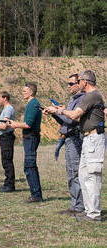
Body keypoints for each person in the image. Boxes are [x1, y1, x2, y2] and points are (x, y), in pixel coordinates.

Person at [46, 70, 105, 222]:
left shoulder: (91, 96)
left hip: (93, 138)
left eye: (79, 81)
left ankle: (93, 214)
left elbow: (74, 116)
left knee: (91, 177)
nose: (78, 84)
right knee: (84, 176)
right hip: (88, 138)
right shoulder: (91, 97)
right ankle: (88, 211)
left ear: (85, 82)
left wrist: (59, 110)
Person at [43, 74, 85, 216]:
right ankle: (75, 205)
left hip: (75, 138)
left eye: (71, 83)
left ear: (79, 83)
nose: (68, 86)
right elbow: (65, 121)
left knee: (75, 173)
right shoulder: (73, 100)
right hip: (69, 138)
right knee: (71, 173)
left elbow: (73, 120)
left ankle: (79, 207)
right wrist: (54, 114)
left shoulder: (81, 99)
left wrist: (57, 111)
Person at [7, 83, 43, 202]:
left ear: (31, 92)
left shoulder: (33, 104)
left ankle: (36, 195)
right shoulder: (31, 104)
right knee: (29, 166)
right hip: (29, 137)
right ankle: (35, 194)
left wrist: (15, 125)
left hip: (31, 137)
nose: (22, 92)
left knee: (29, 166)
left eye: (25, 91)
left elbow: (28, 124)